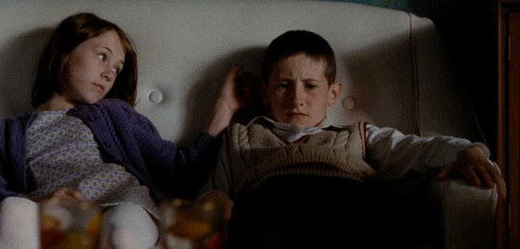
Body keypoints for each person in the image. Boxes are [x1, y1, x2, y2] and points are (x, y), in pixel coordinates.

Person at [202, 29, 506, 249]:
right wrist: (216, 203)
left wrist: (467, 152)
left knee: (388, 209)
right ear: (265, 92)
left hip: (350, 206)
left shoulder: (357, 136)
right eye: (284, 85)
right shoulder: (240, 138)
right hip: (273, 210)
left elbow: (418, 149)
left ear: (333, 93)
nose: (297, 98)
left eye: (310, 86)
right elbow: (211, 192)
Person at [0, 13, 242, 249]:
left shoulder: (115, 113)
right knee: (10, 208)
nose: (109, 73)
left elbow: (179, 170)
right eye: (102, 56)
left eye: (117, 69)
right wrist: (40, 201)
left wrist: (224, 109)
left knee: (121, 234)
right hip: (57, 219)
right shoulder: (6, 131)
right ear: (65, 52)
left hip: (122, 204)